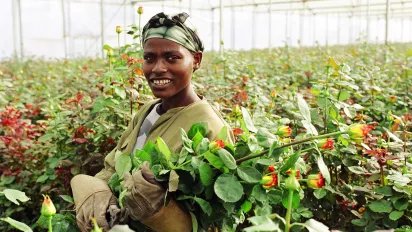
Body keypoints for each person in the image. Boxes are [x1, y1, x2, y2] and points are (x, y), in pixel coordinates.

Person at [70, 12, 234, 232]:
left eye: (172, 57)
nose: (157, 68)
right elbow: (114, 166)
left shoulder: (210, 126)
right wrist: (97, 192)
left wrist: (159, 209)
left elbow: (213, 220)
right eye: (149, 58)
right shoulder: (148, 111)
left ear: (196, 60)